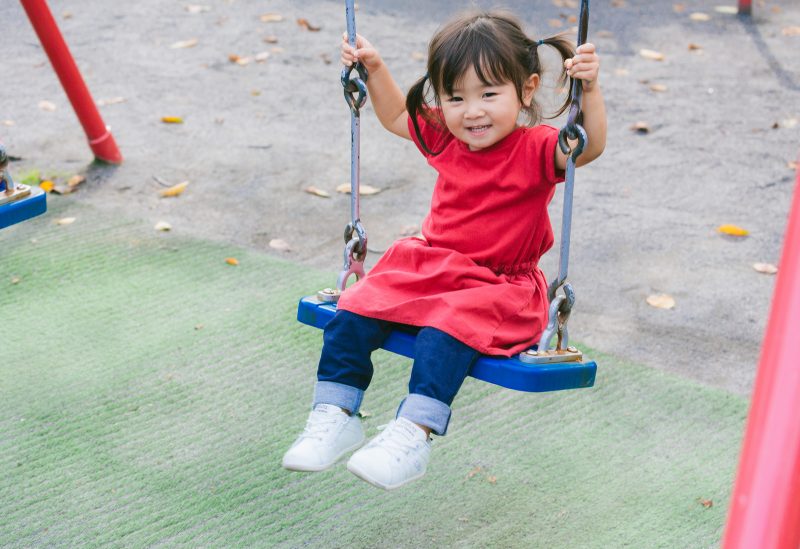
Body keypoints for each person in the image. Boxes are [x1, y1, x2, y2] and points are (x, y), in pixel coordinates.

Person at [282, 9, 606, 490]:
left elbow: (588, 147)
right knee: (355, 307)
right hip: (432, 266)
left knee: (445, 329)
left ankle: (413, 432)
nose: (471, 111)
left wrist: (591, 90)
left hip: (497, 285)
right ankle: (336, 412)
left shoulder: (537, 146)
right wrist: (374, 68)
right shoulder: (446, 136)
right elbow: (394, 114)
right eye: (455, 98)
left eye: (489, 95)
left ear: (528, 89)